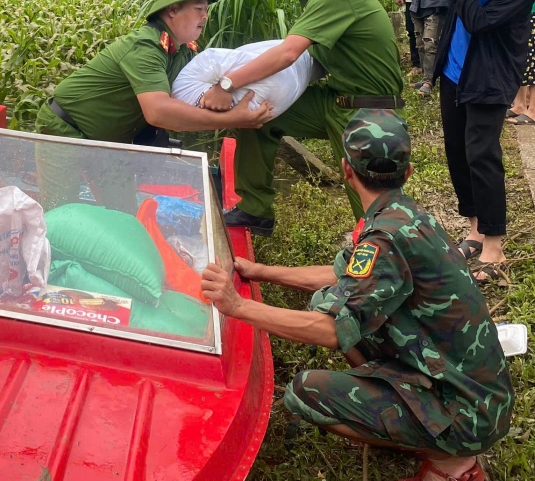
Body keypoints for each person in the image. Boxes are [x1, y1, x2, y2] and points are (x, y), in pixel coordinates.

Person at [201, 110, 513, 481]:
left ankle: (449, 460)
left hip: (467, 415)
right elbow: (339, 275)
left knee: (305, 393)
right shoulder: (404, 214)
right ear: (408, 172)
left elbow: (331, 330)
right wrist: (259, 271)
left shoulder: (384, 237)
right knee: (328, 299)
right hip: (481, 396)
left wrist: (237, 306)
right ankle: (403, 408)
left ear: (347, 170)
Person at [204, 0, 406, 234]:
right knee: (259, 112)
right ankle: (255, 208)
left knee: (372, 204)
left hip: (368, 110)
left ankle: (391, 259)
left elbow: (287, 53)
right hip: (335, 99)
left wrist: (227, 84)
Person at [34, 0, 271, 211]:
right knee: (60, 212)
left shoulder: (183, 52)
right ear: (173, 11)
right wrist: (232, 119)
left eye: (205, 10)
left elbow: (197, 96)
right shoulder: (146, 47)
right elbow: (158, 112)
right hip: (64, 129)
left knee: (123, 212)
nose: (205, 16)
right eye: (199, 8)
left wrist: (228, 88)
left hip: (109, 141)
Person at [434, 0, 535, 283]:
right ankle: (474, 228)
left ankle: (494, 245)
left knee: (482, 155)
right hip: (455, 72)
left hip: (489, 78)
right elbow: (453, 6)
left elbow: (480, 21)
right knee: (457, 151)